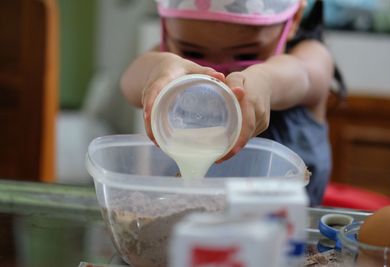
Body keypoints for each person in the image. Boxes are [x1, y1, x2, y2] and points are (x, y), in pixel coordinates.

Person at [120, 0, 345, 206]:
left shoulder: (310, 56)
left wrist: (265, 79)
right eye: (191, 51)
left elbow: (302, 74)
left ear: (294, 19)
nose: (218, 70)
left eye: (244, 54)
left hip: (285, 239)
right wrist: (157, 71)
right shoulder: (167, 56)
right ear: (166, 27)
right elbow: (129, 82)